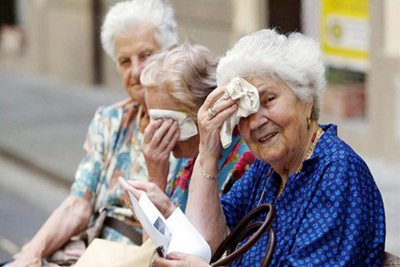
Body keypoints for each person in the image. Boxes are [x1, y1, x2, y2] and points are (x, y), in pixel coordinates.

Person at [127, 29, 386, 266]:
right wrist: (207, 150)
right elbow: (208, 243)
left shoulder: (338, 171)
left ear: (306, 99)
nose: (256, 121)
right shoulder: (266, 170)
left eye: (269, 99)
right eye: (244, 108)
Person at [9, 0, 178, 266]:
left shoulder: (188, 133)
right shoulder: (110, 121)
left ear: (172, 54)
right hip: (93, 249)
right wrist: (31, 253)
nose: (136, 71)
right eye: (124, 61)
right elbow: (78, 204)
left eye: (146, 55)